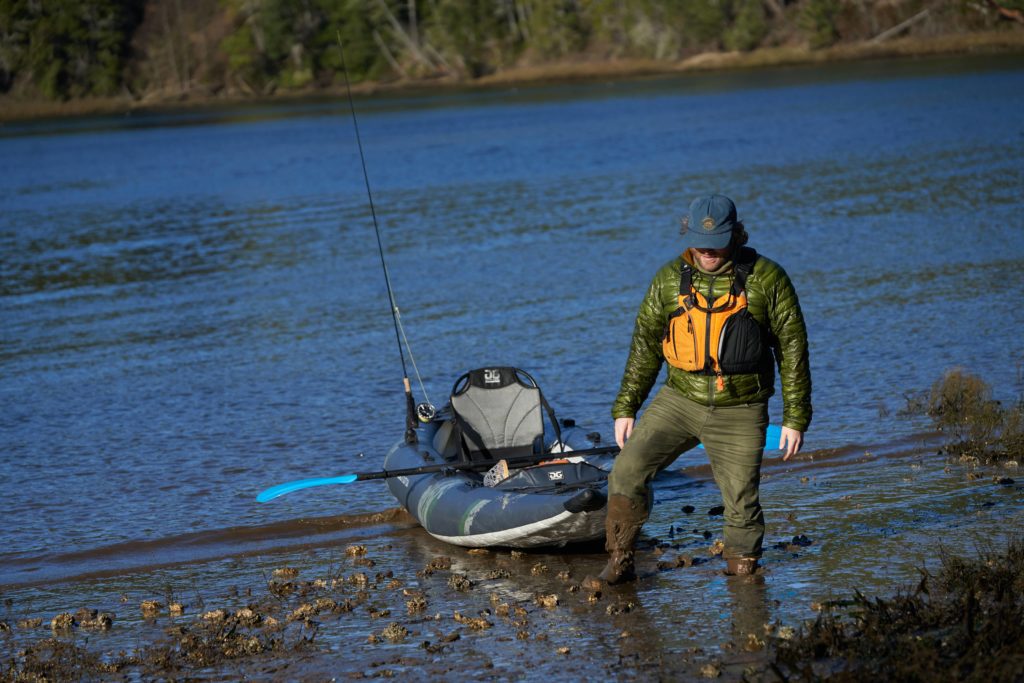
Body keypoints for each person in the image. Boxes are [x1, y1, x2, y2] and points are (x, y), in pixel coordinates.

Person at [598, 194, 811, 583]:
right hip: (678, 400)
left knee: (741, 501)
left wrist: (796, 417)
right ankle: (619, 562)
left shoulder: (768, 278)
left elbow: (793, 348)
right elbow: (645, 345)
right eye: (700, 241)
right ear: (687, 234)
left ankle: (744, 575)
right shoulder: (667, 280)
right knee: (626, 471)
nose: (708, 251)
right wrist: (626, 406)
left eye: (717, 242)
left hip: (741, 407)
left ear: (736, 235)